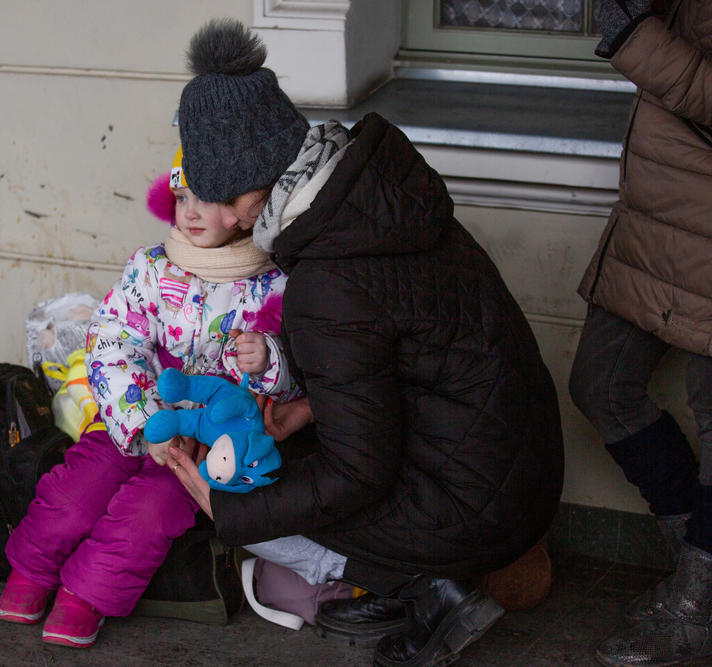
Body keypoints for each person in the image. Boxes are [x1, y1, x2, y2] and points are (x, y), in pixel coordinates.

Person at [166, 18, 565, 666]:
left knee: (251, 467)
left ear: (251, 184)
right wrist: (315, 405)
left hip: (477, 507)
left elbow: (359, 473)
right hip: (526, 465)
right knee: (290, 433)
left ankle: (433, 589)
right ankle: (417, 577)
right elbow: (415, 359)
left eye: (224, 198)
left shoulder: (328, 282)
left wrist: (231, 509)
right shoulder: (374, 192)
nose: (230, 219)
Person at [0, 147, 300, 648]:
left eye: (208, 198)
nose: (192, 211)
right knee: (76, 490)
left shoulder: (271, 284)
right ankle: (31, 569)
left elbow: (299, 377)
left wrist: (269, 362)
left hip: (203, 443)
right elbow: (112, 339)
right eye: (182, 197)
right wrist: (139, 418)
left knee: (150, 513)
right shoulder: (154, 268)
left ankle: (84, 595)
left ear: (243, 208)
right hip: (132, 417)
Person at [567, 1, 712, 665]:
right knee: (601, 381)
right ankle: (695, 566)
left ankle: (695, 600)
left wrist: (635, 37)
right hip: (659, 209)